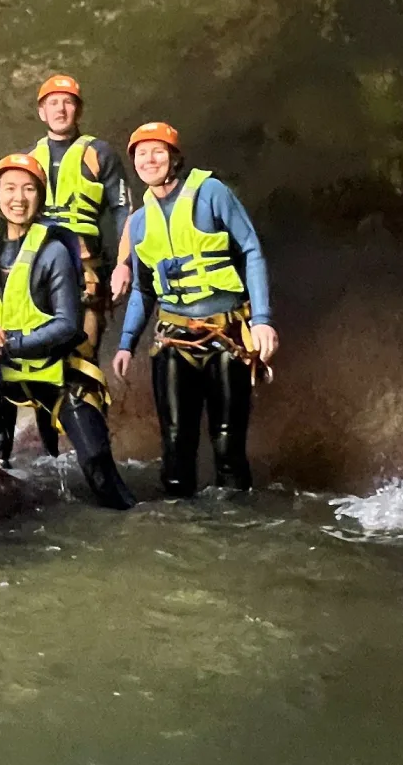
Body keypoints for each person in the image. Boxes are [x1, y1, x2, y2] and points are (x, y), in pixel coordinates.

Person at [0, 153, 136, 515]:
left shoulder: (54, 251)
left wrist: (6, 345)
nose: (19, 198)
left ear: (40, 198)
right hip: (7, 375)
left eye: (29, 189)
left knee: (100, 475)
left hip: (55, 375)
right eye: (10, 188)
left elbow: (67, 325)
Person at [111, 123, 278, 497]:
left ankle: (236, 526)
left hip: (227, 335)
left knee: (227, 444)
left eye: (158, 151)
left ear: (174, 158)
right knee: (174, 446)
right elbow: (142, 288)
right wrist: (126, 344)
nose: (149, 160)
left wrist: (263, 320)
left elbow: (251, 250)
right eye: (141, 154)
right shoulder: (138, 222)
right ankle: (182, 531)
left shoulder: (210, 193)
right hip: (173, 341)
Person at [28, 74, 132, 355]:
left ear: (79, 109)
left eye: (68, 102)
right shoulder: (29, 159)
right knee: (40, 352)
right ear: (42, 112)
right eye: (53, 103)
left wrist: (124, 263)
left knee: (83, 352)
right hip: (38, 264)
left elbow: (123, 210)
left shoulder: (100, 153)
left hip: (86, 267)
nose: (60, 109)